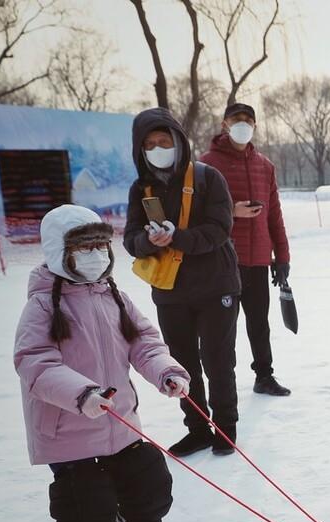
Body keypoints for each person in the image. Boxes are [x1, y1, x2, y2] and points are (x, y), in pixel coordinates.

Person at [14, 205, 189, 522]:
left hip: (121, 426)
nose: (94, 254)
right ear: (59, 252)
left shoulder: (114, 294)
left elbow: (143, 341)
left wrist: (165, 371)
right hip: (70, 436)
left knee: (152, 486)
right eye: (83, 247)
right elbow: (34, 362)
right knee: (87, 515)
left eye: (99, 244)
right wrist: (82, 393)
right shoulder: (43, 305)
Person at [124, 107, 241, 457]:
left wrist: (178, 237)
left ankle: (225, 427)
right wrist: (148, 241)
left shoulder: (207, 178)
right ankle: (197, 428)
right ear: (139, 150)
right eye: (149, 144)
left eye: (164, 141)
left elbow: (220, 230)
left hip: (216, 285)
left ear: (177, 141)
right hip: (170, 291)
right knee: (182, 364)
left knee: (218, 359)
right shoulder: (141, 188)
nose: (158, 148)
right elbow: (130, 238)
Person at [200, 102, 293, 398]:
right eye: (236, 119)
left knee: (259, 322)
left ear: (255, 126)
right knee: (221, 328)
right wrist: (232, 211)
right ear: (224, 124)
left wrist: (282, 257)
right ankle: (221, 383)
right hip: (222, 260)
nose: (243, 124)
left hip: (258, 259)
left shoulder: (264, 165)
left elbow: (274, 215)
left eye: (248, 120)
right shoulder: (206, 163)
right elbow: (196, 211)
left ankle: (264, 376)